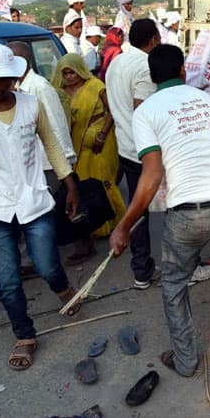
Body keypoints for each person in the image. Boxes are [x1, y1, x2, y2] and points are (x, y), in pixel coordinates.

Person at [109, 44, 210, 376]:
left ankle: (187, 360)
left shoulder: (146, 112)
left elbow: (151, 175)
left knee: (175, 282)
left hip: (186, 213)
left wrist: (124, 225)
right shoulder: (208, 101)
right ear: (182, 72)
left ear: (150, 76)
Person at [0, 44, 81, 371]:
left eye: (4, 79)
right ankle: (24, 335)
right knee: (7, 279)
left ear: (14, 77)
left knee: (46, 264)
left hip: (34, 199)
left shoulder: (31, 104)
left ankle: (63, 288)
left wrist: (69, 182)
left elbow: (50, 144)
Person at [51, 53, 125, 262]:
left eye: (72, 71)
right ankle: (93, 224)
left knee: (103, 181)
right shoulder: (60, 91)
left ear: (80, 70)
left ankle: (115, 222)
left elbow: (113, 111)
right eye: (64, 73)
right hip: (76, 142)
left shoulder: (96, 86)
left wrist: (102, 134)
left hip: (101, 142)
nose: (69, 76)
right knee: (83, 182)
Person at [104, 19, 160, 289]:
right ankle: (149, 268)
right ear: (152, 40)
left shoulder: (117, 61)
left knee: (138, 209)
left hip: (124, 145)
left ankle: (142, 270)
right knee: (160, 207)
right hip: (143, 150)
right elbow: (143, 110)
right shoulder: (143, 65)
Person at [9, 41, 77, 190]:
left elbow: (57, 125)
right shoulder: (19, 87)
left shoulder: (40, 87)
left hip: (49, 162)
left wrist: (64, 165)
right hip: (33, 161)